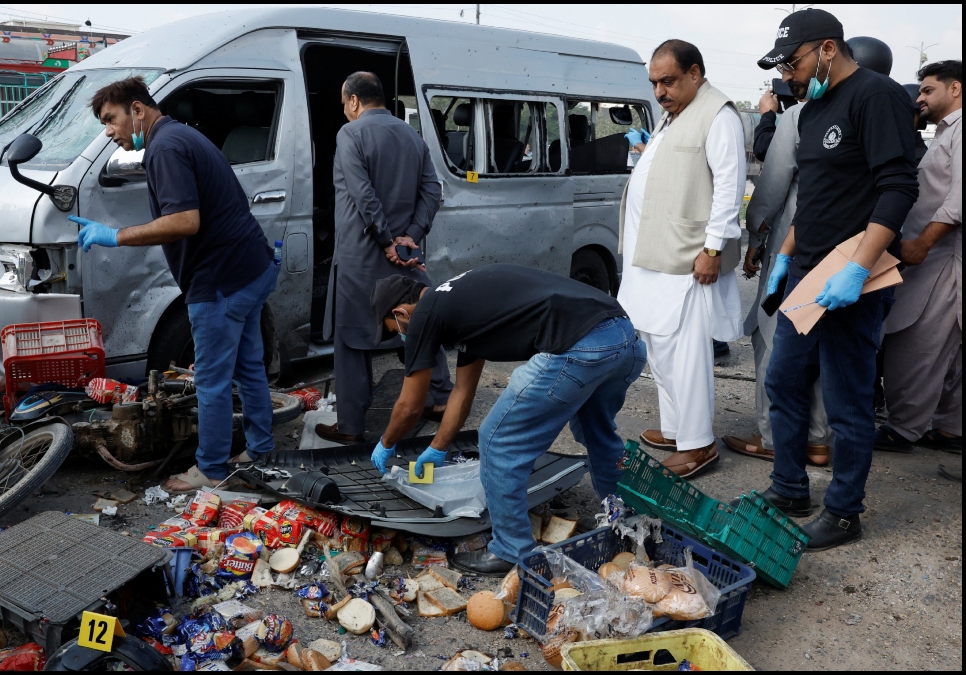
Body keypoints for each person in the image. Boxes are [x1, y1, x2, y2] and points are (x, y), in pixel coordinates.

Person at [751, 8, 918, 550]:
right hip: (806, 268)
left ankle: (845, 511)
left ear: (827, 48)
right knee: (783, 380)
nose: (789, 76)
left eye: (793, 63)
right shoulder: (815, 106)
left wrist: (858, 266)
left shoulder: (876, 96)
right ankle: (789, 488)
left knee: (846, 401)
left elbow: (897, 187)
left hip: (854, 273)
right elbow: (818, 197)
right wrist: (785, 253)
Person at [367, 265, 644, 575]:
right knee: (596, 430)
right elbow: (462, 390)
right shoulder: (458, 303)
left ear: (400, 313)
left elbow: (410, 406)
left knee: (498, 441)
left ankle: (511, 550)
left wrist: (386, 442)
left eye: (394, 330)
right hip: (622, 335)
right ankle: (630, 520)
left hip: (579, 346)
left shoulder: (423, 316)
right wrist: (438, 446)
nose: (401, 337)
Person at [71, 77, 277, 490]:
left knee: (212, 381)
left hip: (220, 281)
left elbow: (185, 221)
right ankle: (261, 449)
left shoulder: (164, 147)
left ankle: (213, 469)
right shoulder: (183, 136)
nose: (109, 132)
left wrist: (114, 235)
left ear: (138, 110)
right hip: (252, 267)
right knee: (249, 367)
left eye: (111, 120)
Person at [616, 39, 744, 478]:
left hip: (687, 260)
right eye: (654, 83)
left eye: (667, 81)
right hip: (651, 257)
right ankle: (675, 429)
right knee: (658, 347)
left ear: (694, 73)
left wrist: (712, 250)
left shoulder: (718, 115)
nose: (659, 91)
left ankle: (698, 444)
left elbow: (729, 188)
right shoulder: (674, 116)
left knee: (685, 353)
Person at [314, 71, 450, 444]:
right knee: (418, 323)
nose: (344, 111)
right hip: (406, 255)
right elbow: (432, 190)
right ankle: (438, 401)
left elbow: (362, 193)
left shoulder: (350, 134)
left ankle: (351, 426)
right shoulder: (412, 136)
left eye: (344, 103)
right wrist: (411, 236)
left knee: (352, 337)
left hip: (363, 253)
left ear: (354, 100)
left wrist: (387, 240)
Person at [724, 93, 833, 467]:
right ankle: (817, 440)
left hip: (795, 245)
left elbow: (772, 186)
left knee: (771, 337)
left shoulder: (800, 115)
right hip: (851, 251)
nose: (787, 76)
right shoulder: (880, 113)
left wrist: (755, 238)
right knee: (822, 342)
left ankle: (773, 436)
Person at [876, 60, 961, 454]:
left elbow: (959, 200)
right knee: (946, 350)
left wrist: (923, 242)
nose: (920, 97)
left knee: (917, 344)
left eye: (927, 90)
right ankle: (949, 429)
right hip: (934, 257)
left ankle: (903, 429)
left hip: (941, 259)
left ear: (955, 89)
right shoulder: (947, 132)